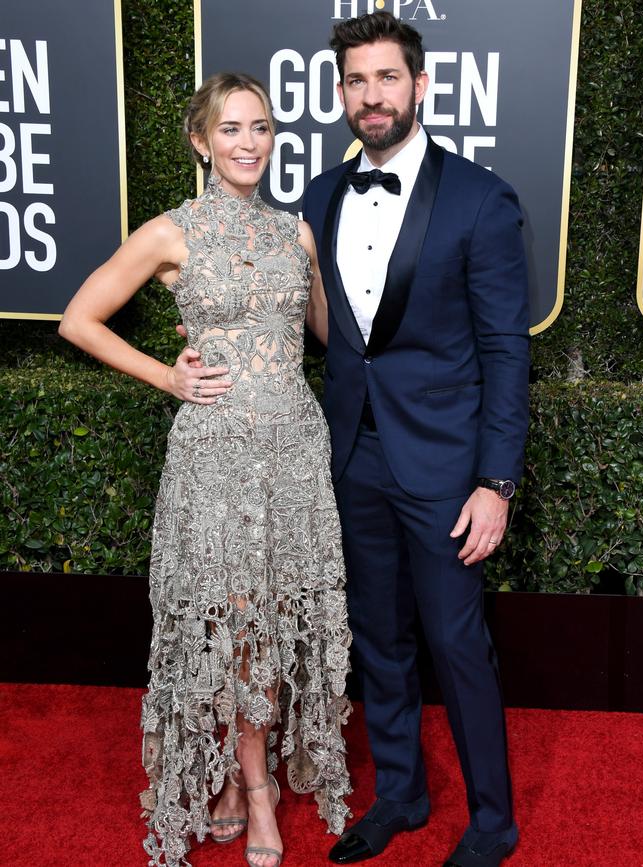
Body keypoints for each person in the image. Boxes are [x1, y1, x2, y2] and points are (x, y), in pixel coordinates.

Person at [58, 72, 352, 867]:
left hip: (293, 451)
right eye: (230, 129)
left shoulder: (296, 233)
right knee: (237, 622)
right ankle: (256, 792)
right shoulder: (170, 233)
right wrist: (168, 376)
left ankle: (235, 773)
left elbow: (331, 333)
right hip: (216, 456)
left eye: (260, 127)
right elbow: (78, 318)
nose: (248, 143)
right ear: (200, 141)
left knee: (275, 620)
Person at [301, 12, 530, 867]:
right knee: (378, 638)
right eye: (356, 81)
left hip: (444, 471)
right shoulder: (320, 195)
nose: (372, 96)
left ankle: (494, 821)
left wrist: (495, 482)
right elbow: (326, 330)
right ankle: (398, 792)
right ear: (341, 93)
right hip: (352, 458)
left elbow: (508, 350)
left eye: (386, 78)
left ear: (420, 86)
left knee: (456, 643)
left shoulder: (480, 198)